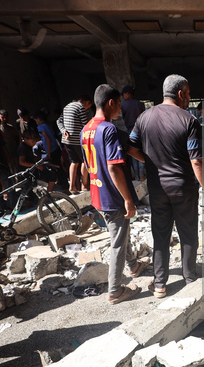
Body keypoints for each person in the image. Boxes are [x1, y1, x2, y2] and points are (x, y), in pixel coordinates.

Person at [129, 74, 204, 298]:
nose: (190, 97)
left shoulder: (144, 118)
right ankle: (189, 277)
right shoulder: (189, 120)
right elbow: (196, 160)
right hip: (183, 188)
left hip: (157, 189)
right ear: (180, 94)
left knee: (160, 234)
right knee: (187, 233)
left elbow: (130, 146)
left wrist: (148, 160)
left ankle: (159, 285)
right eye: (188, 92)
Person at [81, 84, 147, 304]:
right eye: (119, 104)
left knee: (121, 232)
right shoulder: (108, 130)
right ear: (111, 103)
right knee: (118, 241)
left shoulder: (86, 129)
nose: (121, 108)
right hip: (112, 196)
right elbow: (114, 167)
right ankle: (115, 290)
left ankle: (134, 267)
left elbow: (86, 164)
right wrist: (128, 199)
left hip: (98, 194)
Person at [57, 95, 93, 194]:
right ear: (87, 102)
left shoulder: (66, 107)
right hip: (77, 139)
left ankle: (72, 186)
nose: (87, 109)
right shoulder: (80, 107)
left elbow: (59, 121)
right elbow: (84, 123)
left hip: (67, 139)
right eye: (88, 107)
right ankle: (84, 185)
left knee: (74, 162)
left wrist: (63, 130)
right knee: (85, 160)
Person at [120, 85, 146, 181]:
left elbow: (123, 118)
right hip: (141, 130)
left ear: (127, 94)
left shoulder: (123, 105)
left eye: (123, 95)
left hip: (131, 130)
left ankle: (137, 176)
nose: (123, 97)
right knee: (141, 151)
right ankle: (142, 174)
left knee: (133, 152)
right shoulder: (140, 104)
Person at [0, 110, 20, 174]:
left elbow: (16, 139)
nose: (4, 119)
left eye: (6, 117)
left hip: (14, 153)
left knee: (17, 170)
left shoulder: (11, 127)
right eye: (2, 117)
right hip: (5, 155)